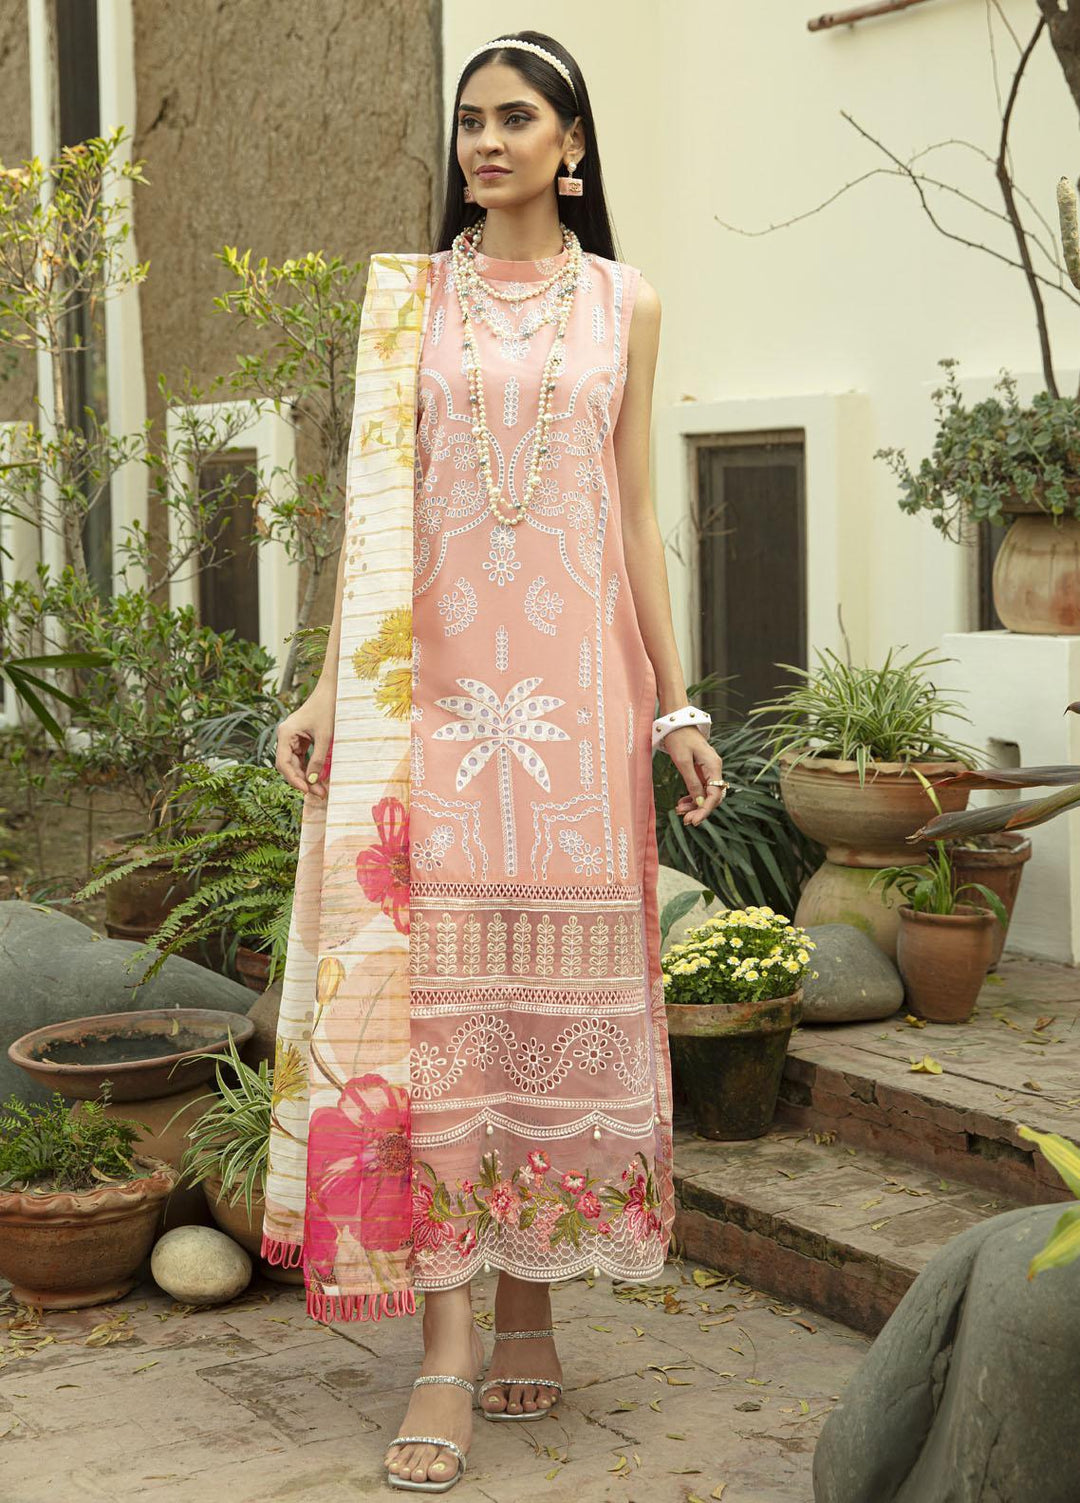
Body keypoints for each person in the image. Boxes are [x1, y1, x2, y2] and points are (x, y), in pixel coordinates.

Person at [270, 29, 727, 1494]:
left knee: (545, 1005)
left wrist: (676, 708)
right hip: (436, 710)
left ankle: (533, 1296)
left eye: (516, 118)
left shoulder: (624, 301)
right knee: (443, 1019)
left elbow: (636, 510)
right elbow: (372, 515)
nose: (487, 141)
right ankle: (449, 1345)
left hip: (578, 709)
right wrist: (329, 686)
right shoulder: (410, 304)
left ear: (571, 143)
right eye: (471, 120)